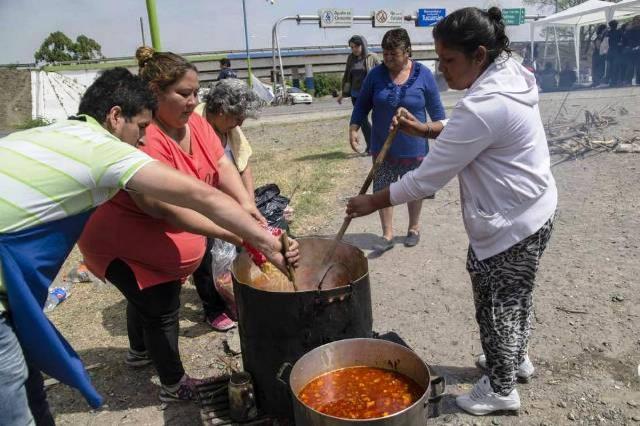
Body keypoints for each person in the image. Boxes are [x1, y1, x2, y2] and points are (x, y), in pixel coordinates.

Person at [0, 68, 298, 425]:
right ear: (114, 116)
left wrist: (252, 223)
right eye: (140, 127)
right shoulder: (103, 150)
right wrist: (263, 239)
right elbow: (198, 195)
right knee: (14, 403)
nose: (143, 140)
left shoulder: (62, 132)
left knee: (29, 387)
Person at [346, 7, 557, 416]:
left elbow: (425, 179)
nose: (441, 70)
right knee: (516, 298)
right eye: (438, 59)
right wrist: (424, 129)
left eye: (448, 60)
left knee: (497, 305)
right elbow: (467, 127)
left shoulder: (486, 104)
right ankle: (515, 359)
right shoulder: (510, 72)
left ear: (479, 54)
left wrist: (371, 201)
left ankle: (500, 388)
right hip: (536, 209)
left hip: (511, 224)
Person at [78, 48, 298, 403]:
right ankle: (173, 383)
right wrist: (241, 232)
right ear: (153, 91)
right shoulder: (144, 138)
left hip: (149, 235)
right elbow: (166, 211)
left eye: (197, 93)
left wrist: (249, 209)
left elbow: (223, 167)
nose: (194, 101)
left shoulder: (195, 123)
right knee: (161, 307)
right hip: (120, 238)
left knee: (142, 297)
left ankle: (139, 352)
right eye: (184, 93)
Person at [349, 28, 446, 251]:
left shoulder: (423, 75)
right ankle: (387, 233)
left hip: (415, 146)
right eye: (385, 54)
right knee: (383, 188)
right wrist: (354, 127)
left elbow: (438, 112)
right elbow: (362, 104)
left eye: (394, 53)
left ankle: (413, 227)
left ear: (407, 52)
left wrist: (437, 132)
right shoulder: (375, 75)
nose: (389, 58)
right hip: (383, 144)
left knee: (415, 188)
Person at [192, 78, 260, 330]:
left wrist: (249, 203)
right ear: (220, 111)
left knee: (235, 253)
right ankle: (212, 308)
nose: (241, 123)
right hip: (202, 202)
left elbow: (243, 165)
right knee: (204, 255)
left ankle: (233, 297)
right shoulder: (194, 125)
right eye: (238, 117)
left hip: (227, 202)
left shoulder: (230, 128)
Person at [338, 35, 380, 154]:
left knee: (377, 118)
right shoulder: (351, 58)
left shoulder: (372, 57)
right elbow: (347, 77)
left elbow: (383, 72)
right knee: (362, 121)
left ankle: (377, 145)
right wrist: (344, 93)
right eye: (352, 47)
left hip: (371, 94)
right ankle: (371, 146)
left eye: (357, 46)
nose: (354, 49)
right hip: (356, 95)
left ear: (363, 45)